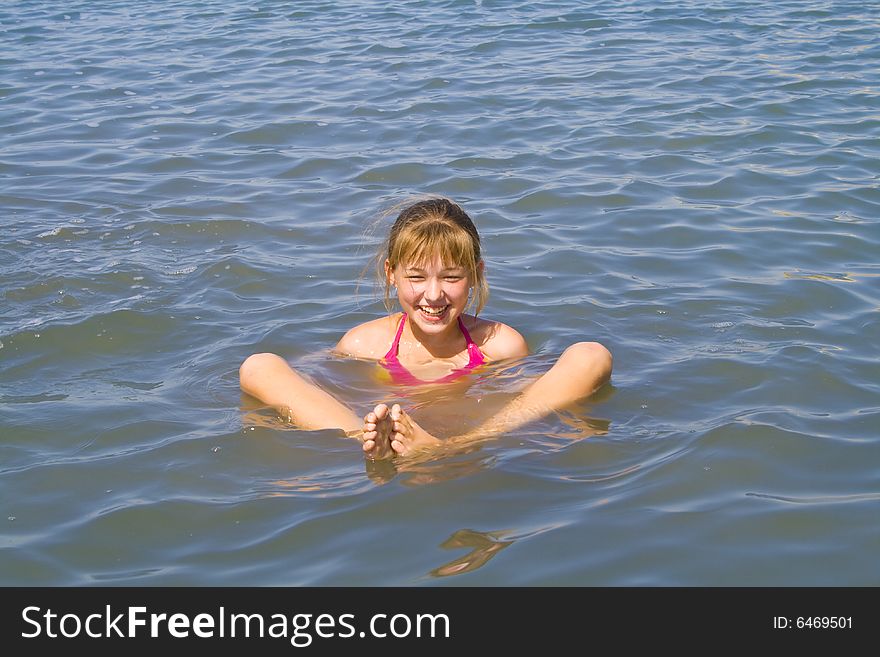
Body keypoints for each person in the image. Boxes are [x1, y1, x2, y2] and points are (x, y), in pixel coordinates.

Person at [239, 197, 612, 461]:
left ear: (476, 276)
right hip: (370, 439)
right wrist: (371, 432)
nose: (433, 296)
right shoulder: (365, 343)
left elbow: (526, 402)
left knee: (591, 355)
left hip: (465, 444)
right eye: (416, 277)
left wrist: (459, 443)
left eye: (451, 277)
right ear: (391, 274)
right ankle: (367, 442)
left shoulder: (499, 345)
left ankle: (449, 447)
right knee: (259, 365)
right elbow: (315, 381)